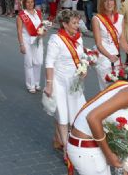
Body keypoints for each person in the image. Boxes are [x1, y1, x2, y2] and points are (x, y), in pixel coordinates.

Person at [44, 10, 86, 157]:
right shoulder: (56, 40)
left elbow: (82, 57)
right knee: (63, 114)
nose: (77, 25)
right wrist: (49, 84)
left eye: (77, 22)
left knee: (76, 112)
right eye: (74, 23)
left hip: (75, 82)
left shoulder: (79, 38)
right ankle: (67, 151)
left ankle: (58, 139)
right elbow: (49, 62)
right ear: (64, 24)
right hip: (59, 81)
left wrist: (84, 68)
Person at [92, 0, 128, 90]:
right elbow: (98, 44)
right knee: (107, 89)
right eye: (105, 1)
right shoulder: (96, 19)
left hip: (116, 58)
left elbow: (122, 40)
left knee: (116, 90)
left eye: (111, 0)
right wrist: (109, 56)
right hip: (103, 58)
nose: (109, 3)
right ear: (101, 3)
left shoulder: (121, 18)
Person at [16, 0, 46, 93]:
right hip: (27, 40)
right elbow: (19, 31)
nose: (30, 4)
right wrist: (21, 45)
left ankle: (37, 83)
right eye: (28, 2)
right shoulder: (21, 15)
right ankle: (30, 85)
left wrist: (44, 32)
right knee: (29, 63)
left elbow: (42, 27)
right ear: (25, 3)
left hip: (38, 40)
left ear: (34, 3)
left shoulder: (38, 13)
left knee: (38, 62)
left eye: (31, 2)